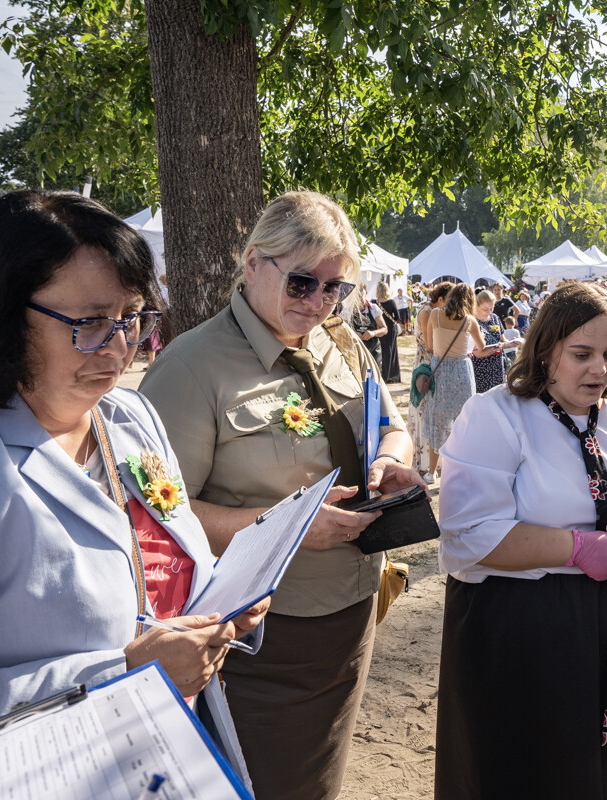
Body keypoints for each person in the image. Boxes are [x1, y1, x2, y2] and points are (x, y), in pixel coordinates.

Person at [0, 190, 268, 781]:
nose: (120, 347)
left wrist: (223, 605)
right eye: (91, 323)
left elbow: (172, 567)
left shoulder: (130, 418)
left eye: (131, 319)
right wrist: (123, 670)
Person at [139, 190, 420, 800]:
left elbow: (390, 423)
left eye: (335, 289)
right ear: (251, 264)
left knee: (321, 782)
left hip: (351, 616)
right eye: (301, 283)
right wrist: (284, 525)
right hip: (259, 639)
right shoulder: (193, 366)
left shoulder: (340, 343)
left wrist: (392, 463)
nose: (318, 303)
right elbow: (156, 522)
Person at [434, 281, 607, 799]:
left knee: (598, 763)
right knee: (526, 766)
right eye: (582, 354)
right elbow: (467, 534)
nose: (600, 368)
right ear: (546, 352)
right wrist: (577, 548)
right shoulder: (497, 415)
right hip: (522, 620)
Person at [423, 283, 486, 480]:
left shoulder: (436, 315)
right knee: (463, 420)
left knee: (438, 420)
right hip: (461, 371)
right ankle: (458, 469)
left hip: (440, 370)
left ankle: (432, 472)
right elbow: (481, 347)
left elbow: (431, 346)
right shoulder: (470, 321)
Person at [411, 282, 453, 482]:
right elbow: (429, 345)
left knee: (432, 411)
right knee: (426, 410)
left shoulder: (433, 312)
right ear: (441, 299)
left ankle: (432, 461)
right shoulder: (427, 313)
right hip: (427, 366)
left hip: (431, 363)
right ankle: (425, 463)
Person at [472, 289, 516, 393]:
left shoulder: (495, 318)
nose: (489, 311)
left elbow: (502, 339)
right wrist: (496, 348)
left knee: (497, 397)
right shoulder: (473, 321)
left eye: (491, 308)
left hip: (497, 367)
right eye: (485, 309)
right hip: (480, 369)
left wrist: (510, 343)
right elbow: (477, 353)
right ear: (477, 305)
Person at [347, 283, 388, 364]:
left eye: (361, 290)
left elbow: (384, 329)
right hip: (355, 349)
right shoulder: (348, 310)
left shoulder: (373, 308)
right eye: (356, 292)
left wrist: (373, 333)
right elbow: (341, 329)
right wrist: (353, 334)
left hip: (373, 349)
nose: (359, 294)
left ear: (366, 292)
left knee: (372, 375)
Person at [374, 281, 402, 383]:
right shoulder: (391, 302)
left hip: (379, 328)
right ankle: (389, 375)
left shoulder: (374, 302)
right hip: (390, 328)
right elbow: (397, 317)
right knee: (390, 351)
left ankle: (381, 373)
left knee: (381, 350)